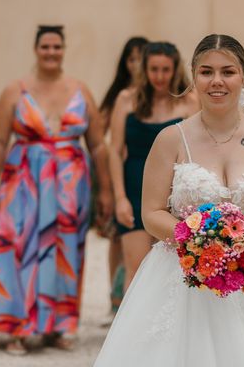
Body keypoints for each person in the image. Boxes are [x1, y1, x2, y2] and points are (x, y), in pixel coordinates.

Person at [94, 34, 244, 366]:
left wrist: (242, 237)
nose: (216, 81)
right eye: (206, 72)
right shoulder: (170, 139)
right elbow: (150, 212)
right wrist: (199, 239)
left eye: (228, 71)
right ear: (193, 75)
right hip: (182, 274)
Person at [0, 25, 113, 355]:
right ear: (36, 49)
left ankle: (58, 326)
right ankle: (17, 326)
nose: (51, 52)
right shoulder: (15, 90)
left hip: (72, 187)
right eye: (45, 46)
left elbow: (99, 146)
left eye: (57, 46)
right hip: (25, 183)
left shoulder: (80, 90)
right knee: (20, 247)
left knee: (66, 251)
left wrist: (105, 192)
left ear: (64, 49)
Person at [109, 41, 198, 290]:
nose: (160, 76)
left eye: (166, 70)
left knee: (174, 269)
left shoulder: (189, 103)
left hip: (173, 192)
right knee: (135, 268)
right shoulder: (127, 100)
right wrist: (119, 198)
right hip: (134, 186)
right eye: (154, 69)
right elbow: (114, 151)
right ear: (144, 70)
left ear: (175, 70)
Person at [99, 36, 148, 315]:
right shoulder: (119, 96)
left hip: (142, 174)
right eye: (132, 59)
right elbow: (103, 135)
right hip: (119, 172)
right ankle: (115, 296)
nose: (137, 65)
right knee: (117, 238)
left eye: (141, 58)